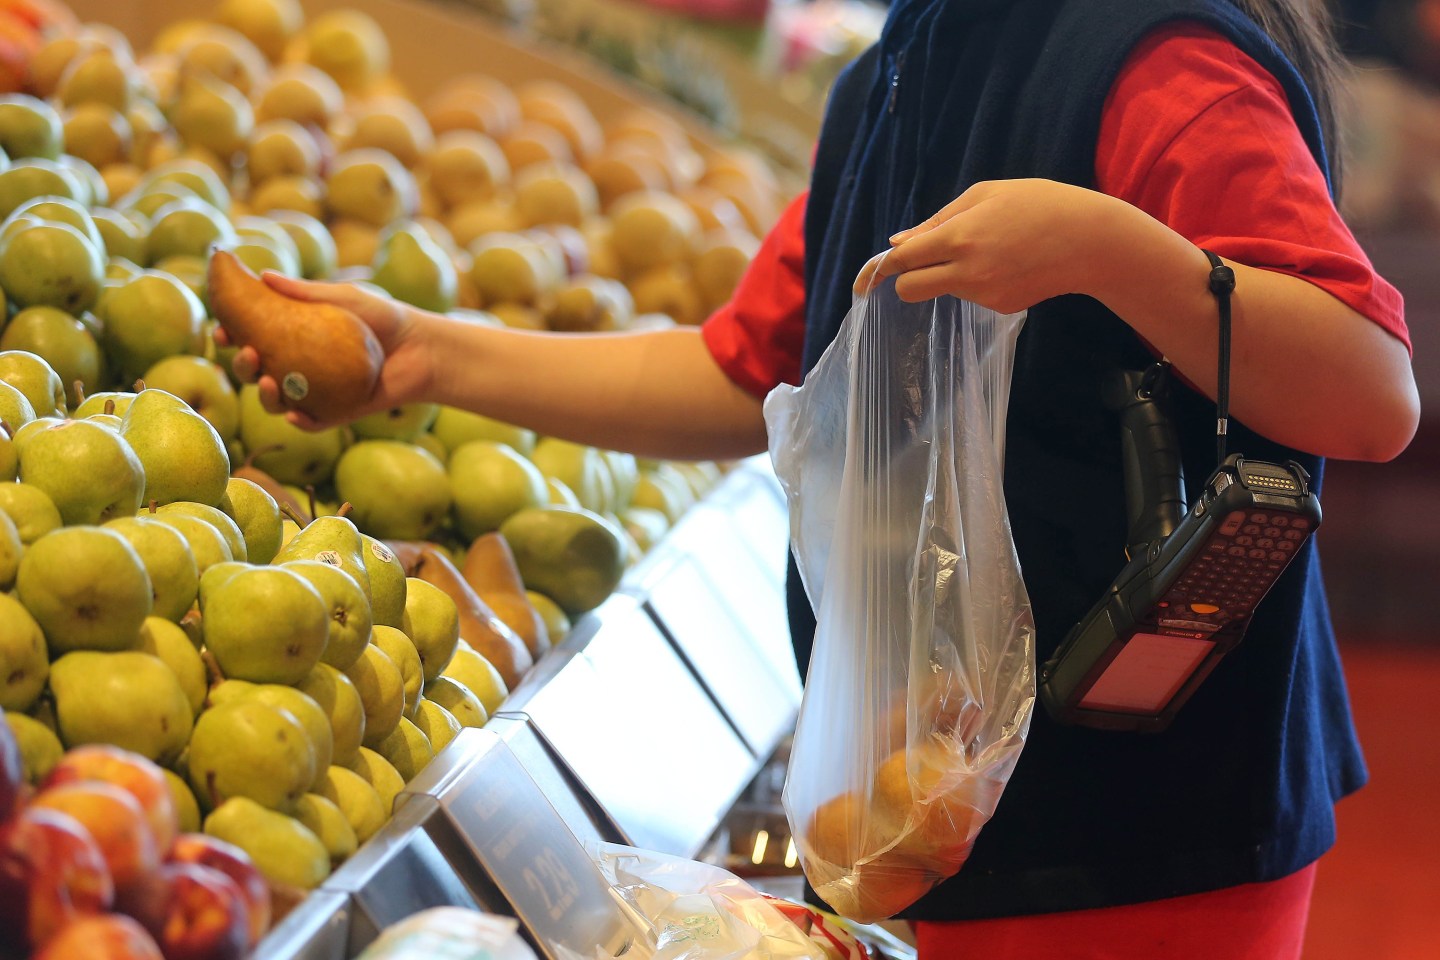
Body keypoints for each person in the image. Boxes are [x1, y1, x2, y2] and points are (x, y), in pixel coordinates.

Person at [228, 0, 1419, 955]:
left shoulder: (1164, 63)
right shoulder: (898, 73)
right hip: (948, 814)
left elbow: (1371, 395)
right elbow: (744, 372)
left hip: (1151, 838)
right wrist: (426, 353)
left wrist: (1101, 249)